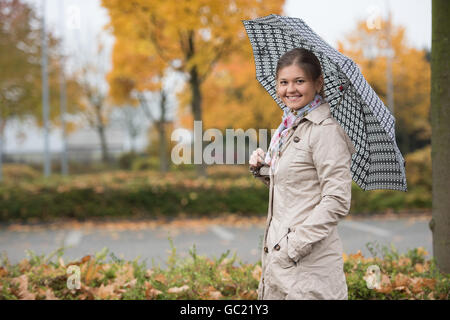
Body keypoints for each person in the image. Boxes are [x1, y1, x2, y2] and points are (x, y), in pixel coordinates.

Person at [249, 47, 356, 300]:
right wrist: (263, 169)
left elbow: (337, 200)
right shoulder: (289, 127)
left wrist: (292, 247)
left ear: (317, 83)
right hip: (281, 263)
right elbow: (296, 187)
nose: (290, 89)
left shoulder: (325, 131)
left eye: (300, 81)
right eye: (283, 82)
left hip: (310, 267)